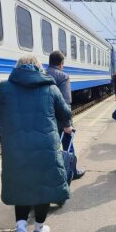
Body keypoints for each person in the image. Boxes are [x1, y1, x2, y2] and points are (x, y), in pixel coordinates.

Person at [0, 55, 72, 232]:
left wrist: (10, 131)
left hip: (16, 147)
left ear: (17, 67)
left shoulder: (4, 87)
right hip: (46, 145)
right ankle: (38, 231)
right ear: (38, 68)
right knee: (44, 187)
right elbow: (66, 114)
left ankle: (20, 230)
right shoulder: (50, 87)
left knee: (22, 186)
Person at [46, 51, 85, 180]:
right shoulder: (63, 76)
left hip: (46, 118)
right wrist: (68, 124)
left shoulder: (42, 74)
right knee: (68, 144)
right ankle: (72, 171)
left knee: (50, 146)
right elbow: (65, 103)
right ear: (61, 63)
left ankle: (52, 172)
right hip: (60, 119)